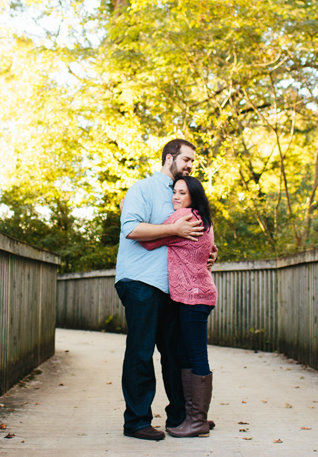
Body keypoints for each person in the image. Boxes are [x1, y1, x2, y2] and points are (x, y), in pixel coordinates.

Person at [115, 139, 212, 441]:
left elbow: (194, 233)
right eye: (186, 159)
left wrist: (208, 250)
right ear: (170, 157)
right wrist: (174, 230)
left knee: (174, 353)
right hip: (140, 281)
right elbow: (131, 229)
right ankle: (137, 421)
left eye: (192, 162)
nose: (190, 165)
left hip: (173, 287)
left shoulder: (183, 193)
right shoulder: (141, 189)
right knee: (141, 351)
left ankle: (182, 418)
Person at [140, 175, 217, 438]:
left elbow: (147, 240)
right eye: (174, 191)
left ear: (193, 197)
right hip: (195, 296)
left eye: (182, 193)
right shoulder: (201, 218)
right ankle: (192, 416)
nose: (176, 196)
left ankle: (197, 421)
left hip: (193, 297)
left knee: (196, 355)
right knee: (187, 355)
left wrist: (126, 209)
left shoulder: (182, 217)